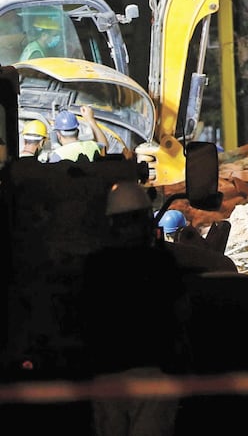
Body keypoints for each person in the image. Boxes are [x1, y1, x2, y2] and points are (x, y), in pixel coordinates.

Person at [79, 181, 188, 436]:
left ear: (111, 224)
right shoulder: (161, 262)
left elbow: (82, 319)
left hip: (107, 378)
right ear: (146, 221)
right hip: (153, 377)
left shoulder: (95, 266)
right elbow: (182, 312)